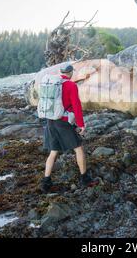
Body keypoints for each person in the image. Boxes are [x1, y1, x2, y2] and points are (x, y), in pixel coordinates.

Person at [40, 64, 98, 193]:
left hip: (50, 121)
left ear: (61, 72)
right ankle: (85, 179)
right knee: (79, 148)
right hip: (64, 122)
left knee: (53, 151)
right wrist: (81, 124)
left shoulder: (53, 83)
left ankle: (46, 182)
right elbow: (76, 106)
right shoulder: (71, 85)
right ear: (71, 72)